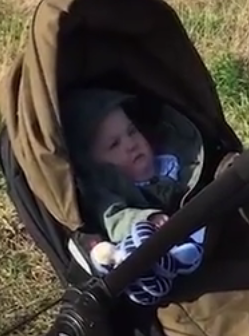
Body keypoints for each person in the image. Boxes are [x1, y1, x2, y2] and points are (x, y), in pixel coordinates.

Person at [61, 88, 206, 243]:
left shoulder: (170, 153)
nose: (131, 144)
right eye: (114, 145)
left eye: (131, 131)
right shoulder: (107, 192)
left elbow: (196, 161)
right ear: (94, 166)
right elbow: (115, 218)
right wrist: (146, 221)